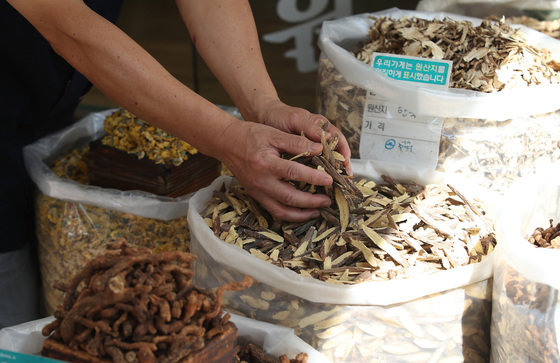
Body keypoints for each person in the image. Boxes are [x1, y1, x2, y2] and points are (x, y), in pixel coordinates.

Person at [1, 0, 351, 327]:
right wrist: (228, 137)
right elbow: (67, 25)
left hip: (46, 93)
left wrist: (263, 106)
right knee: (14, 297)